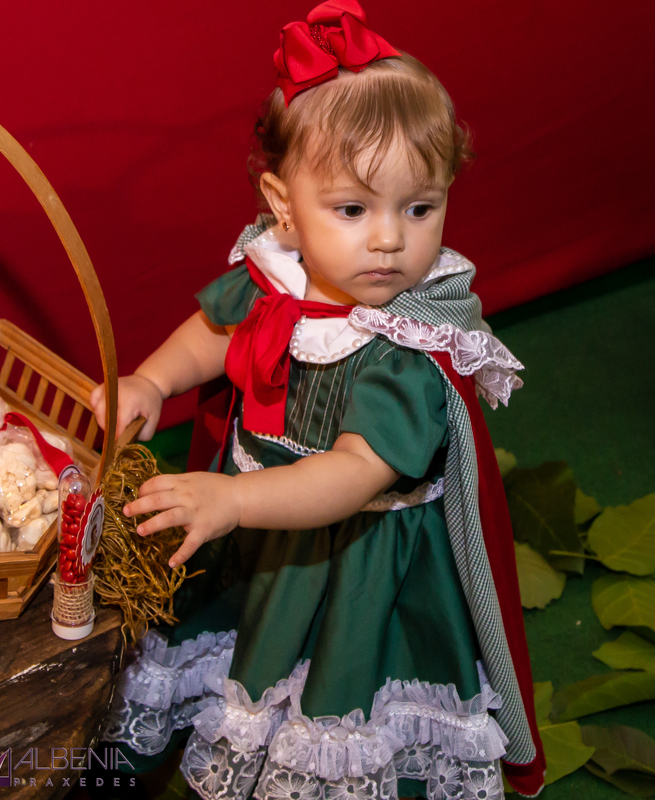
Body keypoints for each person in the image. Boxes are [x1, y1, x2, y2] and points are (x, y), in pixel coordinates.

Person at [89, 3, 545, 798]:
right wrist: (153, 380)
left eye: (419, 208)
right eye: (353, 209)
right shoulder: (281, 277)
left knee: (330, 711)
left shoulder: (406, 348)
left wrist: (235, 500)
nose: (389, 239)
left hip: (355, 564)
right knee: (239, 659)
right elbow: (215, 332)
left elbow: (353, 474)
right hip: (260, 537)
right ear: (282, 205)